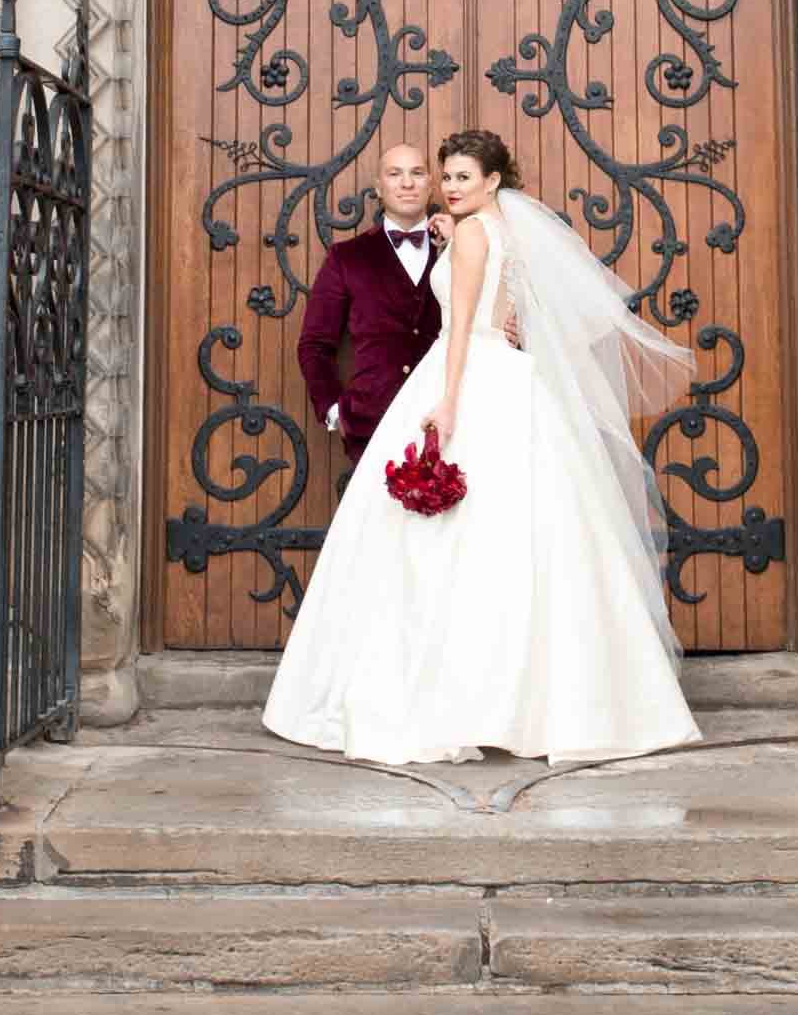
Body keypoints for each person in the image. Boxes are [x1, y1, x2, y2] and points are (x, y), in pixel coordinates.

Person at [264, 128, 702, 766]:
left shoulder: (471, 232)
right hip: (515, 383)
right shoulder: (505, 231)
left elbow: (462, 327)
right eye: (446, 177)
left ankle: (445, 699)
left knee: (443, 544)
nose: (447, 187)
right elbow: (508, 308)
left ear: (494, 181)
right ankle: (552, 703)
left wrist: (447, 401)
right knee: (529, 540)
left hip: (467, 376)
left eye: (461, 177)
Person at [296, 141, 442, 474]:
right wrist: (336, 412)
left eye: (417, 173)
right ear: (378, 186)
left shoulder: (460, 249)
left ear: (431, 183)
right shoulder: (346, 258)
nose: (407, 183)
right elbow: (314, 345)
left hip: (448, 420)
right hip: (373, 424)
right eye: (395, 174)